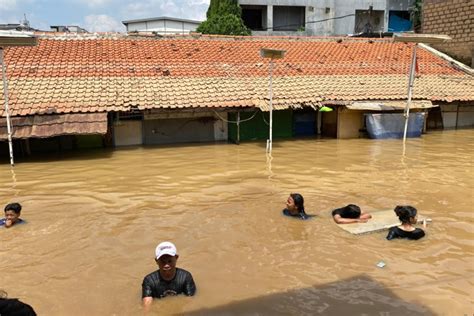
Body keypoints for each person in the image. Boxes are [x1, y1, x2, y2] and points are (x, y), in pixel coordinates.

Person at [142, 241, 196, 308]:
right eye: (163, 261)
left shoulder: (186, 277)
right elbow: (147, 308)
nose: (166, 265)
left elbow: (191, 303)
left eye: (169, 261)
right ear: (156, 261)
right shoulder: (149, 280)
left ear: (176, 258)